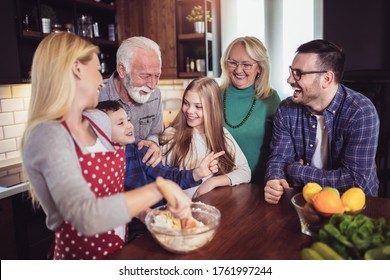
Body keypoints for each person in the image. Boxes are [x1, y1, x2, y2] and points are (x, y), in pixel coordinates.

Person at [21, 32, 192, 260]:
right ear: (77, 69)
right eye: (97, 69)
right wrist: (159, 188)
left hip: (119, 249)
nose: (102, 81)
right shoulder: (47, 134)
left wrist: (144, 213)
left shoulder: (96, 122)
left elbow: (106, 192)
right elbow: (85, 216)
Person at [264, 39, 380, 204]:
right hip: (303, 201)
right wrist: (274, 179)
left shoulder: (361, 112)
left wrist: (296, 171)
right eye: (291, 71)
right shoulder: (286, 109)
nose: (289, 79)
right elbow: (279, 158)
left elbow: (355, 181)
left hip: (353, 206)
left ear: (326, 79)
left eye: (298, 73)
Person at [96, 100, 224, 203]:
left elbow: (171, 177)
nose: (130, 125)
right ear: (102, 131)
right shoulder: (96, 163)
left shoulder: (142, 153)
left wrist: (198, 173)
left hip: (149, 225)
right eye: (120, 123)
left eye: (128, 120)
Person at [160, 77, 251, 199]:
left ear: (212, 109)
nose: (189, 111)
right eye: (186, 103)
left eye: (198, 106)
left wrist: (212, 182)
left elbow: (245, 171)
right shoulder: (171, 135)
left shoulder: (223, 135)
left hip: (213, 207)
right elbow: (162, 180)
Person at [219, 36, 281, 184]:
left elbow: (282, 148)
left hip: (258, 187)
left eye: (246, 64)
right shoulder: (213, 95)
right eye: (233, 62)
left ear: (259, 67)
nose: (238, 69)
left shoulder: (271, 99)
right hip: (220, 184)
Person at [98, 36, 163, 167]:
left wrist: (153, 143)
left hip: (141, 175)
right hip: (109, 175)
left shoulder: (155, 94)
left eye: (157, 76)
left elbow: (155, 133)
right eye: (145, 76)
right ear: (122, 70)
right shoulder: (97, 96)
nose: (152, 85)